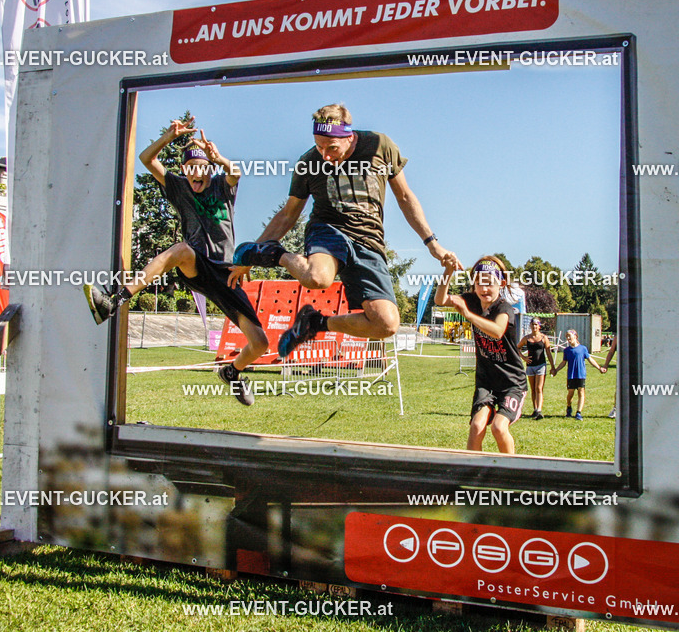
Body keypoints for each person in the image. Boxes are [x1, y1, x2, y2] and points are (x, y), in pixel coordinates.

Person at [230, 104, 460, 357]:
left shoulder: (380, 146)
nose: (325, 155)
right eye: (319, 146)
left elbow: (405, 197)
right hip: (328, 230)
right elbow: (288, 214)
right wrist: (252, 255)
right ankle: (274, 254)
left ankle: (315, 323)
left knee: (387, 324)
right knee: (317, 278)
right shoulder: (308, 163)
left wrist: (432, 242)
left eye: (332, 148)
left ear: (349, 136)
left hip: (369, 242)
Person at [82, 117, 268, 405]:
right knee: (181, 250)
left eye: (203, 168)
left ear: (210, 169)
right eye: (191, 169)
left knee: (260, 343)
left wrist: (219, 158)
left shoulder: (222, 186)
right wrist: (168, 137)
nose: (197, 175)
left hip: (227, 274)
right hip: (196, 265)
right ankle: (113, 301)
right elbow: (146, 158)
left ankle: (232, 373)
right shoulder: (178, 187)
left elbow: (236, 172)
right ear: (184, 170)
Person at [435, 255, 526, 453]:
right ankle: (471, 473)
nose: (484, 289)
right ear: (474, 284)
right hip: (486, 383)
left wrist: (468, 315)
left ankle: (511, 471)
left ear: (501, 283)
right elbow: (440, 299)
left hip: (512, 384)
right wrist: (448, 272)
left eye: (489, 283)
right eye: (479, 283)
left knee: (499, 427)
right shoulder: (472, 301)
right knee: (476, 427)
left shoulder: (504, 308)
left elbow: (496, 331)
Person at [551, 329, 605, 420]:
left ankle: (578, 412)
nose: (568, 338)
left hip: (581, 374)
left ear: (575, 336)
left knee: (581, 391)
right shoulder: (567, 350)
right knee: (570, 393)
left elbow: (590, 359)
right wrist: (556, 370)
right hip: (571, 375)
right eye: (566, 336)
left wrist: (599, 368)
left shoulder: (583, 348)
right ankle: (569, 407)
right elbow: (564, 362)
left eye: (569, 336)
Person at [517, 318, 555, 419]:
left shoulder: (543, 338)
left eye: (536, 325)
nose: (534, 327)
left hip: (541, 365)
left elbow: (548, 352)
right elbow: (517, 348)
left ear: (539, 326)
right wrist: (524, 358)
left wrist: (552, 366)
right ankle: (535, 409)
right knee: (533, 389)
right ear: (530, 326)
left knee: (539, 388)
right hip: (530, 366)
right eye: (532, 325)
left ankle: (539, 410)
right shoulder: (526, 338)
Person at [602, 334, 617, 419]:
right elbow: (611, 351)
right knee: (619, 389)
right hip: (623, 368)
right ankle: (616, 408)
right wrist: (606, 365)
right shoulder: (618, 338)